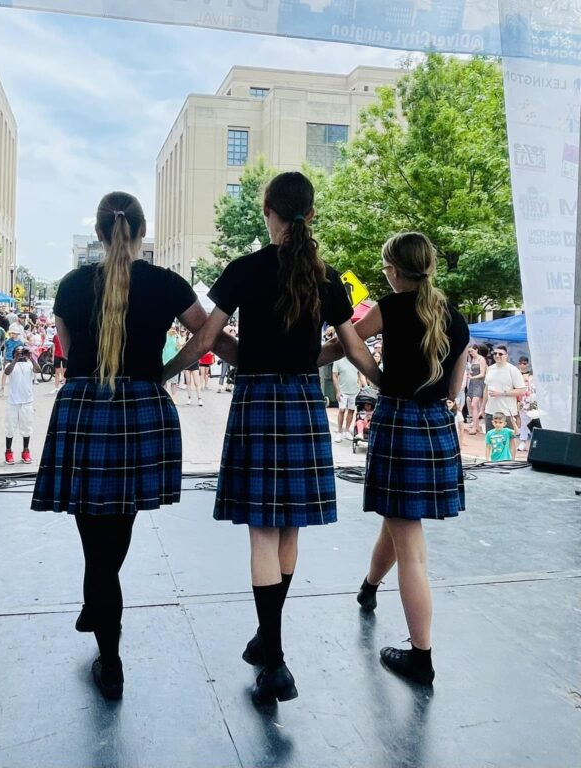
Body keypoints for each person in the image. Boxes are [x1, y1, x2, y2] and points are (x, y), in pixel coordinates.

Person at [167, 172, 380, 705]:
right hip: (305, 403)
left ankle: (276, 660)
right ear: (309, 214)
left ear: (271, 213)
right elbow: (353, 350)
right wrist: (388, 383)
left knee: (263, 531)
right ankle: (268, 641)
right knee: (288, 530)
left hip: (259, 402)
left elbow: (207, 339)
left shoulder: (244, 270)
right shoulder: (327, 280)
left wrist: (161, 375)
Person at [32, 191, 221, 701]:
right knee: (119, 525)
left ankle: (109, 660)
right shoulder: (167, 283)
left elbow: (68, 349)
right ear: (140, 232)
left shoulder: (71, 285)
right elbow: (207, 336)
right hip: (141, 410)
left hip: (85, 409)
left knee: (94, 538)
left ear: (99, 233)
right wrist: (164, 371)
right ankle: (99, 604)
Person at [322, 231, 469, 687]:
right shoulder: (456, 317)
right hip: (437, 428)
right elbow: (457, 389)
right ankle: (368, 588)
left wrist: (376, 375)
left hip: (399, 424)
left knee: (412, 550)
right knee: (397, 518)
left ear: (392, 268)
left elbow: (348, 343)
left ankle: (421, 657)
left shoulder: (388, 307)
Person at [3, 346, 41, 464]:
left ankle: (26, 451)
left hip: (27, 401)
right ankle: (8, 451)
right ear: (14, 353)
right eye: (18, 352)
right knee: (10, 428)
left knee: (27, 428)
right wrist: (15, 359)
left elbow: (39, 370)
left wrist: (31, 358)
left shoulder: (29, 364)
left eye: (22, 352)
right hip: (13, 402)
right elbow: (7, 372)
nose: (21, 354)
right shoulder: (10, 364)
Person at [483, 344, 525, 434]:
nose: (497, 356)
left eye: (500, 354)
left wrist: (501, 393)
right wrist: (482, 408)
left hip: (506, 413)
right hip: (490, 412)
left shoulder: (513, 370)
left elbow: (522, 390)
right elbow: (486, 389)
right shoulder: (490, 369)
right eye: (495, 353)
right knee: (491, 441)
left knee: (508, 442)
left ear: (506, 355)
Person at [331, 352, 362, 441]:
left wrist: (360, 386)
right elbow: (335, 376)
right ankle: (339, 432)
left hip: (354, 391)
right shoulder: (337, 361)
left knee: (351, 410)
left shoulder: (356, 360)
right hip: (342, 391)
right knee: (342, 410)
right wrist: (337, 391)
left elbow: (359, 374)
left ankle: (347, 431)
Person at [464, 345, 487, 435]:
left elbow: (482, 374)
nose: (470, 353)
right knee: (472, 404)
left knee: (475, 404)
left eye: (472, 351)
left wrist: (472, 377)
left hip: (479, 383)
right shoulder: (472, 360)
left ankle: (475, 426)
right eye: (469, 352)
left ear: (477, 350)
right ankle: (476, 425)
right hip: (473, 383)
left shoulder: (481, 359)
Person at [0, 324, 24, 397]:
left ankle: (16, 389)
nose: (12, 334)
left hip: (16, 360)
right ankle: (2, 388)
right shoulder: (7, 341)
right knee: (5, 373)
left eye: (14, 333)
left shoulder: (20, 342)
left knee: (16, 375)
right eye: (11, 333)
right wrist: (3, 357)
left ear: (17, 334)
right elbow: (4, 349)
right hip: (7, 359)